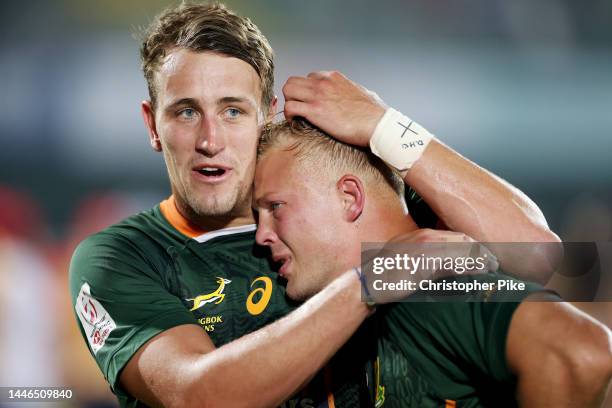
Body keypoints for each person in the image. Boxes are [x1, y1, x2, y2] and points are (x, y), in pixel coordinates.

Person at [69, 3, 561, 407]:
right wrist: (368, 283)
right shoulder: (122, 258)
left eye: (233, 110)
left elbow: (539, 256)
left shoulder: (347, 195)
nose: (210, 140)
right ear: (153, 125)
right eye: (186, 112)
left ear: (267, 116)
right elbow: (200, 398)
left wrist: (384, 126)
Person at [253, 119, 612, 407]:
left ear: (350, 197)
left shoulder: (431, 287)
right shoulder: (377, 303)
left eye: (276, 207)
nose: (261, 235)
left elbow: (581, 350)